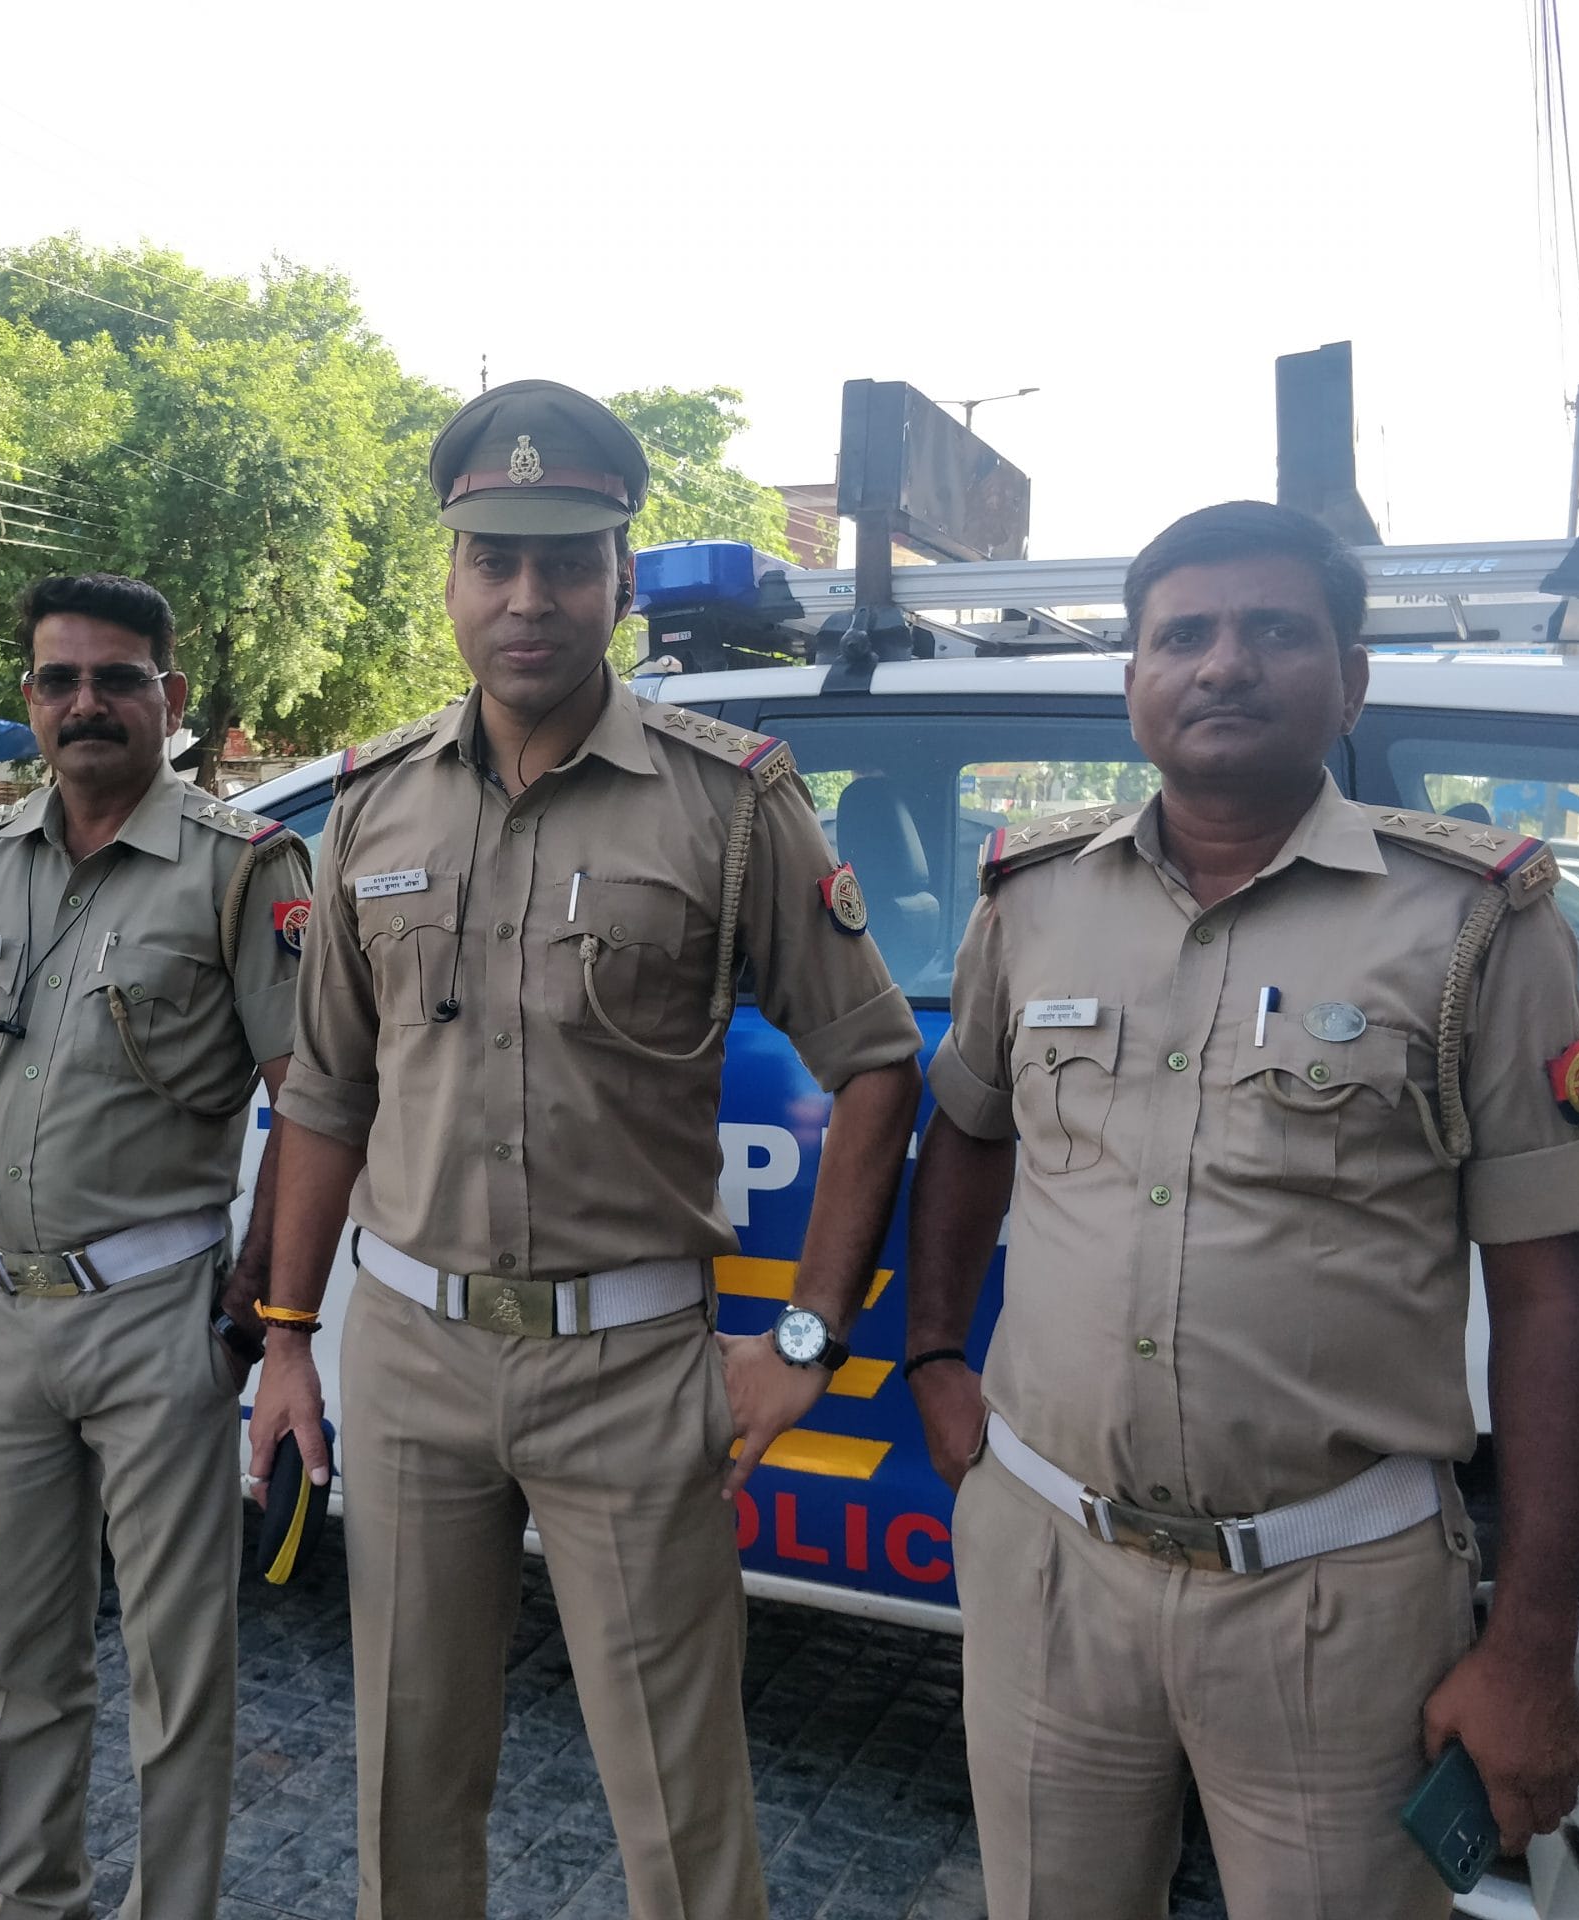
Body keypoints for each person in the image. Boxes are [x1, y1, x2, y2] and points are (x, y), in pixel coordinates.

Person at [248, 379, 924, 1920]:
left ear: (619, 576)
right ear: (452, 578)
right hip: (411, 1358)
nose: (529, 597)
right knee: (408, 1780)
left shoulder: (728, 805)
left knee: (679, 1805)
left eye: (566, 561)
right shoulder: (370, 806)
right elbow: (327, 1095)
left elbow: (877, 1066)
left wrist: (807, 1336)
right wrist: (289, 1340)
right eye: (495, 560)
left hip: (634, 1376)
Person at [902, 500, 1579, 1919]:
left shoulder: (1475, 921)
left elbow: (1547, 1298)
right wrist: (932, 1354)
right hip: (1050, 1560)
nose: (1224, 663)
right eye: (1186, 636)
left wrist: (1531, 1644)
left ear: (1348, 679)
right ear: (1133, 687)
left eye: (1274, 631)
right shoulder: (1033, 898)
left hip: (1332, 1590)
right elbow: (968, 1130)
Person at [0, 572, 311, 1920]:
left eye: (119, 679)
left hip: (156, 1314)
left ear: (168, 700)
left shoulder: (241, 870)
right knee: (25, 1656)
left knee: (179, 1667)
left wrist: (245, 1320)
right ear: (30, 700)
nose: (87, 703)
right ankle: (34, 1902)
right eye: (59, 680)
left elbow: (316, 1106)